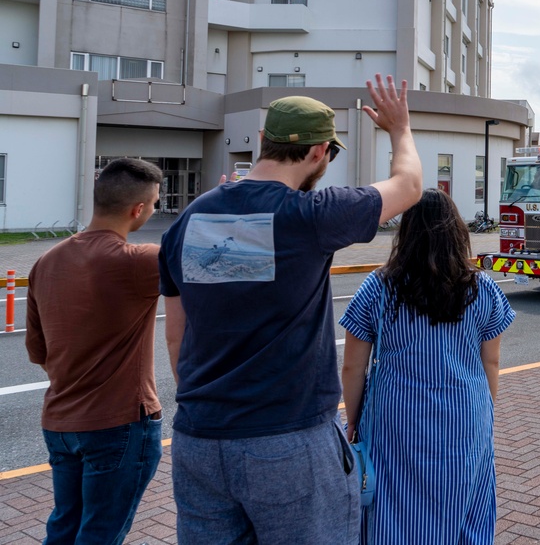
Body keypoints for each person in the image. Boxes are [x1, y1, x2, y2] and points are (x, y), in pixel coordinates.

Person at [158, 75, 422, 544]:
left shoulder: (189, 219)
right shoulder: (311, 215)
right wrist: (399, 130)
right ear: (320, 152)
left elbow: (176, 336)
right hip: (288, 441)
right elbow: (409, 185)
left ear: (263, 141)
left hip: (199, 442)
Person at [340, 188, 515, 544]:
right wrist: (485, 413)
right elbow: (491, 362)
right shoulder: (482, 288)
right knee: (464, 505)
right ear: (457, 234)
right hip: (466, 414)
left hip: (396, 420)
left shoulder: (378, 287)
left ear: (406, 233)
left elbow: (352, 369)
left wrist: (354, 422)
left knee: (393, 508)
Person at [25, 158, 164, 545]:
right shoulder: (140, 262)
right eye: (154, 203)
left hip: (59, 423)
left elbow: (38, 351)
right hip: (119, 424)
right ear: (139, 209)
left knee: (65, 526)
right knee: (101, 533)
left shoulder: (45, 262)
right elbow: (221, 258)